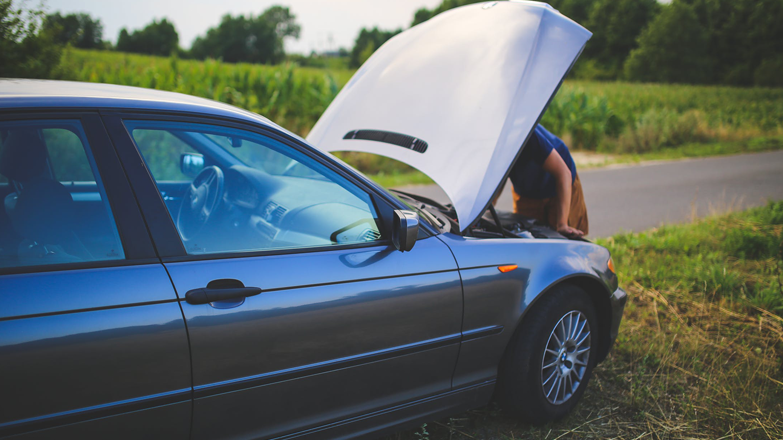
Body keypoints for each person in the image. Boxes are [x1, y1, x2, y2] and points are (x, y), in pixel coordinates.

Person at [496, 124, 588, 237]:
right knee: (527, 237)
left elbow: (563, 173)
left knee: (564, 238)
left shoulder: (526, 134)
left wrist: (562, 224)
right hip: (526, 190)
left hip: (560, 183)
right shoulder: (491, 144)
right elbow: (497, 179)